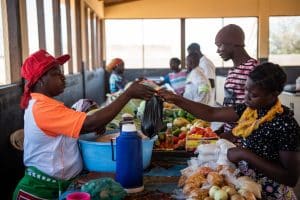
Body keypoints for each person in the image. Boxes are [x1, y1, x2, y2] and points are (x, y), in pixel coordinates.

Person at [13, 49, 155, 199]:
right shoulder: (42, 108)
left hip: (61, 185)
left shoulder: (45, 104)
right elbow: (90, 123)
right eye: (56, 73)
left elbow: (60, 134)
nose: (63, 77)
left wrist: (89, 129)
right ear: (40, 79)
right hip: (41, 191)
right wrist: (128, 94)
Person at [158, 62, 300, 199]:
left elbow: (290, 177)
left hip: (272, 194)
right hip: (246, 189)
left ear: (273, 95)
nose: (246, 97)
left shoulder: (285, 124)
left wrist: (245, 154)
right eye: (246, 89)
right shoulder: (250, 110)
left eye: (254, 94)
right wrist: (177, 99)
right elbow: (211, 113)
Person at [215, 24, 258, 133]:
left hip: (244, 139)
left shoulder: (254, 69)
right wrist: (223, 129)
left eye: (220, 45)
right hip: (230, 135)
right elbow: (232, 104)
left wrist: (234, 135)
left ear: (233, 43)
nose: (217, 51)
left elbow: (257, 111)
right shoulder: (233, 70)